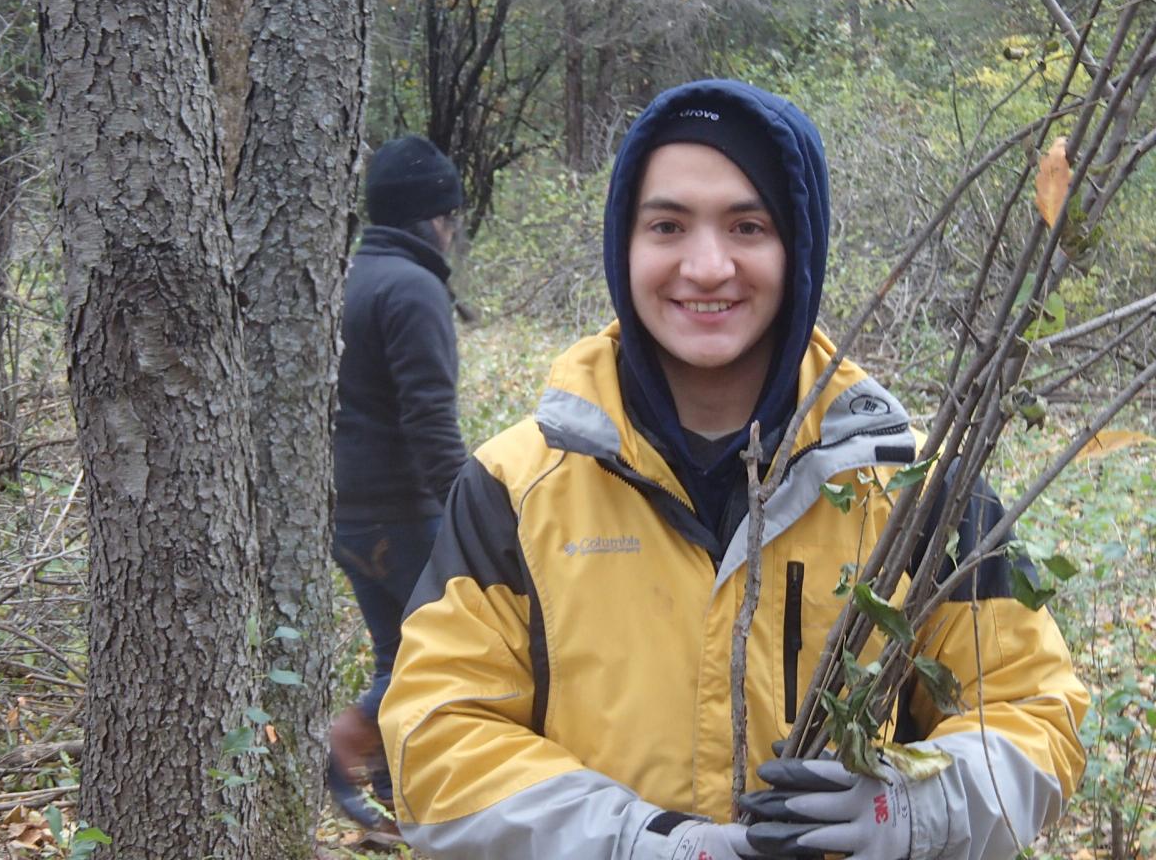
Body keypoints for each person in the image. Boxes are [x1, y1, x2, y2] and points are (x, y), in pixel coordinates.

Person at [378, 80, 1089, 860]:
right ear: (626, 242)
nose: (707, 266)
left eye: (748, 226)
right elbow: (434, 736)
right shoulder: (518, 487)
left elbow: (1035, 712)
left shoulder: (916, 487)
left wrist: (913, 806)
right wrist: (636, 844)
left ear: (801, 247)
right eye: (668, 225)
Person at [329, 135, 469, 829]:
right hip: (402, 514)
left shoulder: (349, 276)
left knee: (398, 651)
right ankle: (343, 745)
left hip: (346, 514)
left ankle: (390, 802)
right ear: (434, 218)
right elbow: (430, 421)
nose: (453, 232)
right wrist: (471, 512)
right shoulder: (413, 290)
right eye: (452, 217)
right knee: (436, 655)